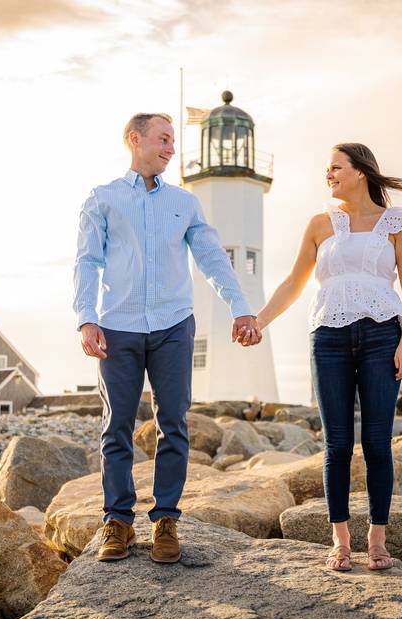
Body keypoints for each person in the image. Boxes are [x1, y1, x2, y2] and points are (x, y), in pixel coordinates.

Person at [73, 112, 261, 564]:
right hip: (118, 325)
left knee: (173, 424)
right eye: (163, 139)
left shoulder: (184, 202)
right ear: (135, 140)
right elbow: (87, 263)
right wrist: (86, 318)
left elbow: (212, 257)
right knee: (116, 426)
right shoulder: (103, 199)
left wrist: (241, 307)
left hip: (174, 325)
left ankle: (165, 522)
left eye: (174, 140)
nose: (172, 147)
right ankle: (117, 522)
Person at [245, 143, 402, 571]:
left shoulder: (396, 223)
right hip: (329, 336)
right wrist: (259, 321)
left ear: (360, 172)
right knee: (337, 444)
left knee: (377, 444)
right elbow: (293, 282)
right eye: (327, 169)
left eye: (336, 167)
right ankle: (340, 542)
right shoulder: (320, 224)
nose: (329, 175)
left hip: (382, 335)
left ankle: (377, 540)